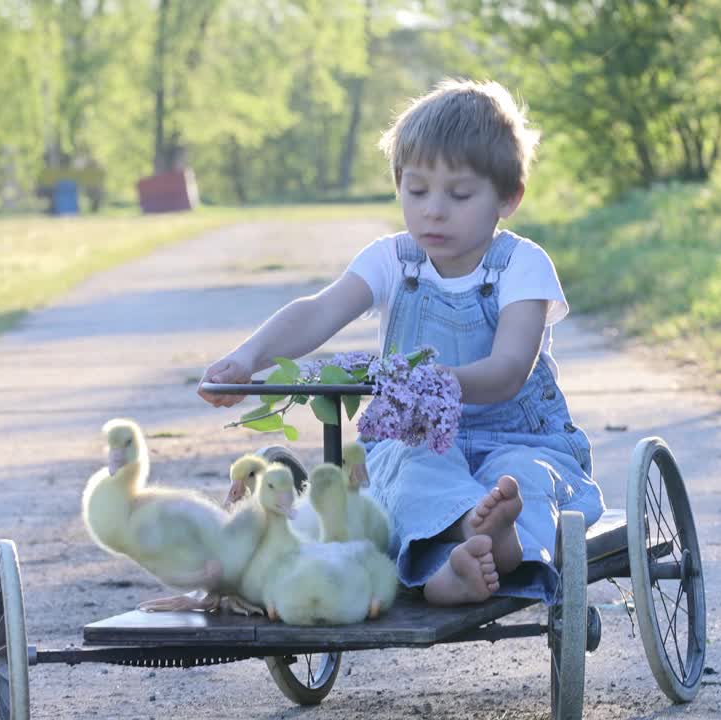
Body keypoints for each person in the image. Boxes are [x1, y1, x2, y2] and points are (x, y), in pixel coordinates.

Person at [197, 79, 604, 606]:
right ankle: (457, 560)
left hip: (519, 438)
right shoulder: (392, 259)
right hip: (419, 442)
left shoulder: (521, 265)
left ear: (508, 198)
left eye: (459, 194)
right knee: (409, 475)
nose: (434, 210)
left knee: (524, 482)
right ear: (398, 186)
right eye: (416, 190)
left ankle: (497, 541)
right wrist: (247, 357)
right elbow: (318, 311)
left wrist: (437, 382)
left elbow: (509, 370)